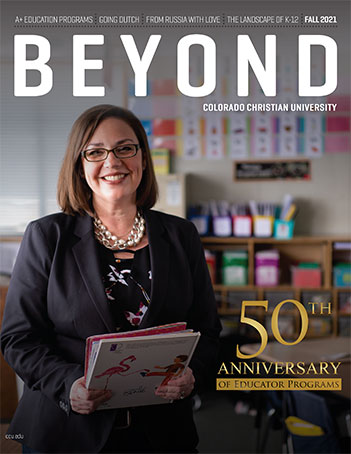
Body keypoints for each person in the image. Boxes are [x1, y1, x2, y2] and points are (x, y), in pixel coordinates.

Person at [1, 104, 221, 453]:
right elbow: (18, 338)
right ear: (80, 165)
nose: (113, 161)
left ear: (143, 159)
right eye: (95, 151)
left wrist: (191, 372)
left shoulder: (181, 236)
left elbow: (207, 329)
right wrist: (68, 383)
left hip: (162, 434)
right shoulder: (47, 236)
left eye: (125, 148)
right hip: (67, 431)